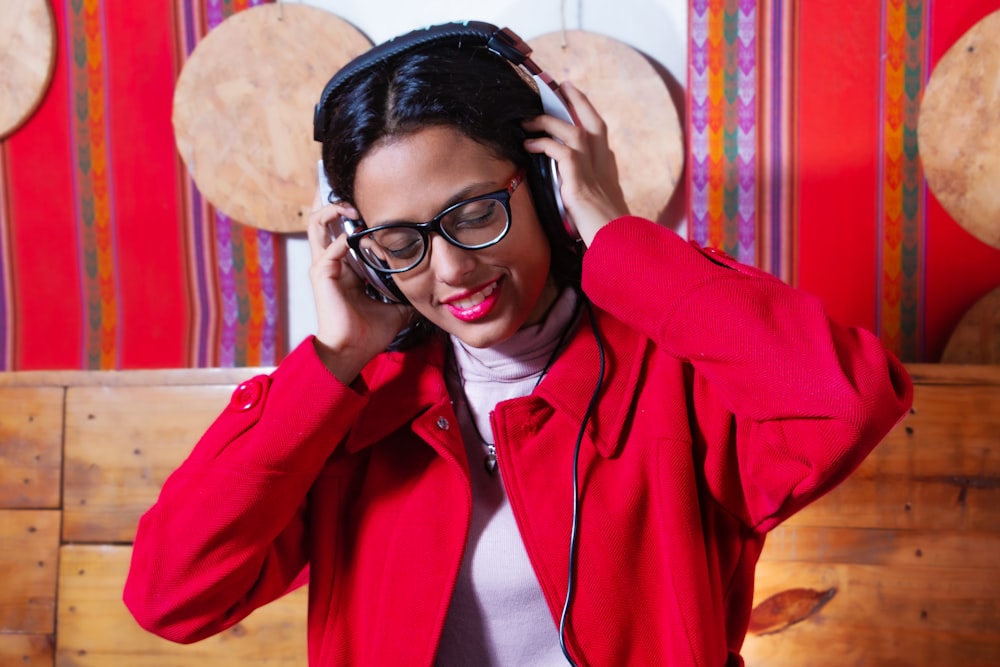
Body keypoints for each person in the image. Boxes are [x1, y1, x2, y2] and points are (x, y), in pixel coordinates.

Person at [124, 21, 913, 667]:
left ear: (543, 184)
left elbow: (842, 402)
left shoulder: (673, 373)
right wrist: (331, 363)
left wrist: (616, 234)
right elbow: (172, 592)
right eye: (402, 240)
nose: (450, 269)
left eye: (473, 213)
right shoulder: (357, 413)